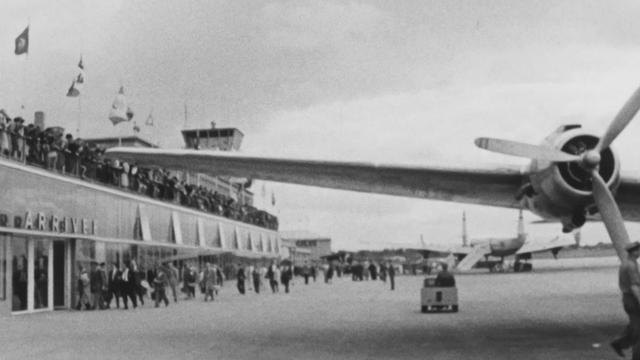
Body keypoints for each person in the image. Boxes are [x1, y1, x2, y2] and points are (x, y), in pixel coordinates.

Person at [611, 242, 640, 358]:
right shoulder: (631, 266)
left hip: (628, 298)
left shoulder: (627, 263)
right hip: (632, 299)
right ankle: (619, 343)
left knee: (635, 326)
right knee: (637, 329)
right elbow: (634, 286)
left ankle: (621, 344)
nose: (639, 253)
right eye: (638, 250)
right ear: (634, 252)